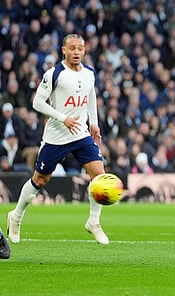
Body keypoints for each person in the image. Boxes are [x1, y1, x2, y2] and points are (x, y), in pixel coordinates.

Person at [6, 34, 110, 245]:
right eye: (72, 48)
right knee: (40, 180)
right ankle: (16, 216)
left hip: (80, 133)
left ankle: (93, 222)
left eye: (80, 48)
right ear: (63, 50)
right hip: (56, 136)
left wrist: (94, 122)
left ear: (84, 50)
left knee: (99, 177)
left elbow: (91, 96)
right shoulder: (55, 74)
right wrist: (63, 118)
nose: (76, 52)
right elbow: (38, 103)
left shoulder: (89, 73)